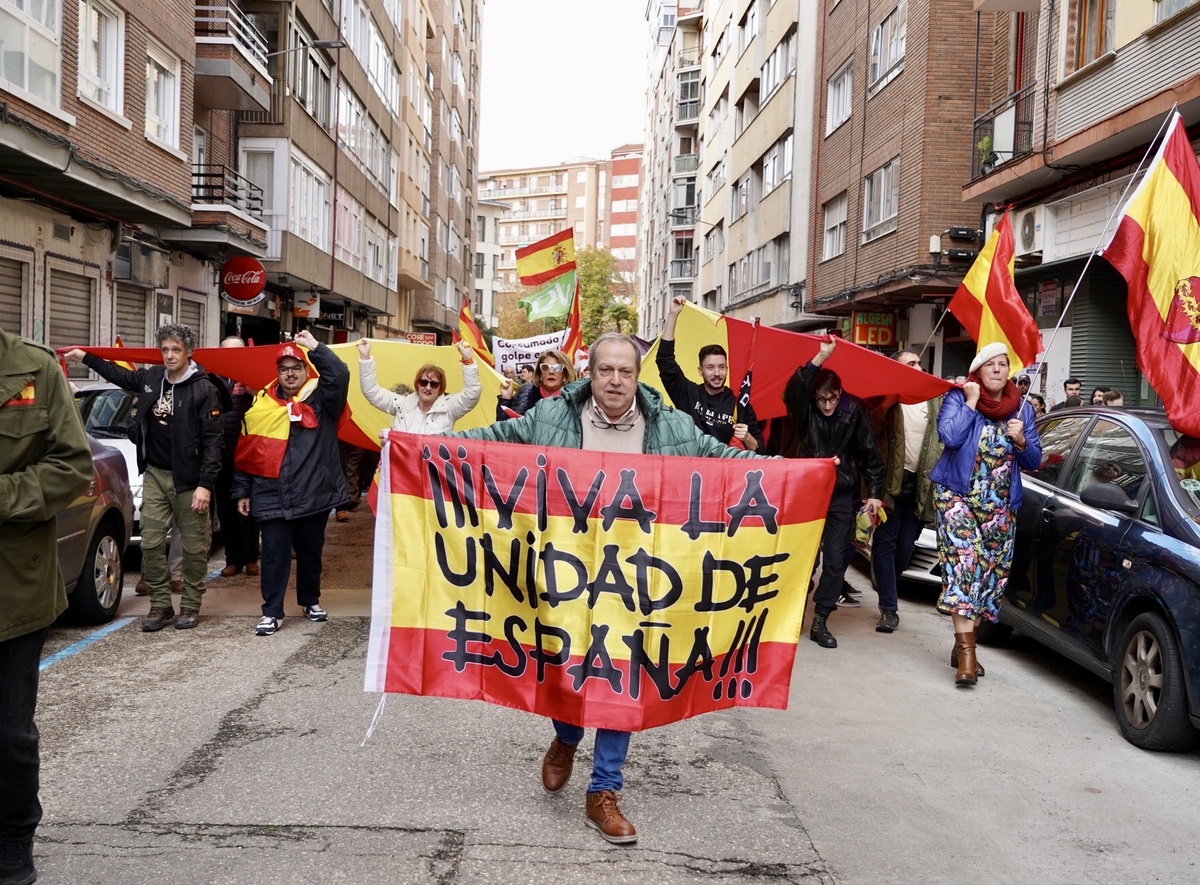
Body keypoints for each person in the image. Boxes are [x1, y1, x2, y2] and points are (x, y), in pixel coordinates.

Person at [443, 332, 764, 846]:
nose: (615, 380)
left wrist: (798, 472)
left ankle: (603, 791)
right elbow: (492, 442)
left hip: (638, 576)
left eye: (626, 371)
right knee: (566, 664)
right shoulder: (551, 419)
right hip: (565, 573)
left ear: (639, 377)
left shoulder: (672, 427)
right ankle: (567, 736)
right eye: (605, 370)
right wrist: (421, 446)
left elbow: (724, 460)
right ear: (589, 374)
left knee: (624, 675)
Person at [0, 324, 92, 885]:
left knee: (9, 734)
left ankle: (13, 836)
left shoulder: (33, 369)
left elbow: (71, 467)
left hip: (13, 587)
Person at [65, 324, 223, 631]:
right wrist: (85, 357)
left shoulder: (204, 389)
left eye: (176, 349)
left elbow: (215, 442)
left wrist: (205, 485)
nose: (169, 355)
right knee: (150, 543)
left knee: (193, 547)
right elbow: (120, 376)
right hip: (155, 474)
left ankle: (190, 606)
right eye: (165, 350)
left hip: (190, 481)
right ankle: (161, 605)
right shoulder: (152, 379)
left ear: (188, 352)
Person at [929, 342, 1042, 686]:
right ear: (978, 372)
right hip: (956, 496)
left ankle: (964, 642)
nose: (997, 369)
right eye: (989, 364)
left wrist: (1022, 441)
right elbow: (948, 436)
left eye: (1002, 364)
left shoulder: (1021, 410)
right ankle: (967, 658)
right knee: (967, 565)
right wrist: (971, 402)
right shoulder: (957, 398)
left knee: (989, 577)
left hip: (1000, 507)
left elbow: (1035, 461)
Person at [233, 330, 349, 636]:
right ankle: (271, 612)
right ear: (278, 373)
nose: (290, 374)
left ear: (305, 370)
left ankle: (310, 601)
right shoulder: (261, 405)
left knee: (311, 553)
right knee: (273, 555)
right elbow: (248, 450)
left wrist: (315, 347)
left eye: (295, 367)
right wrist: (242, 489)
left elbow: (339, 374)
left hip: (313, 493)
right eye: (284, 369)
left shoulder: (322, 400)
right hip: (270, 493)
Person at [782, 336, 884, 649]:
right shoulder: (805, 409)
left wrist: (876, 493)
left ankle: (821, 619)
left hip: (841, 493)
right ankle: (790, 615)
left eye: (833, 399)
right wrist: (819, 359)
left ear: (840, 394)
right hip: (807, 493)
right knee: (803, 559)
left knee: (837, 562)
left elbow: (871, 455)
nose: (828, 405)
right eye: (822, 400)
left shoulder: (853, 410)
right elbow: (793, 391)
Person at [871, 351, 943, 633]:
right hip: (891, 482)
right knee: (886, 542)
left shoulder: (934, 399)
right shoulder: (887, 397)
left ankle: (886, 579)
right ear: (897, 369)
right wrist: (887, 403)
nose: (918, 367)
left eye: (918, 363)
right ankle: (889, 609)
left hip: (921, 486)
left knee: (905, 547)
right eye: (910, 363)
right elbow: (870, 427)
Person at [655, 294, 764, 449]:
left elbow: (761, 450)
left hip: (723, 471)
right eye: (710, 368)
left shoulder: (739, 405)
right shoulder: (688, 394)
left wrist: (747, 437)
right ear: (700, 371)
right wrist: (673, 315)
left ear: (727, 369)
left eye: (721, 367)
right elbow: (664, 361)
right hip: (690, 469)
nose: (717, 373)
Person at [357, 339, 481, 434]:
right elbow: (371, 391)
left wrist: (468, 360)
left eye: (434, 384)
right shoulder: (401, 404)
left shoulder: (449, 409)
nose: (428, 387)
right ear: (417, 384)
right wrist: (365, 358)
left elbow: (472, 394)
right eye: (423, 382)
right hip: (403, 466)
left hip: (432, 467)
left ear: (440, 388)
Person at [212, 336, 260, 578]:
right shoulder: (211, 376)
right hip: (220, 452)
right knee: (226, 509)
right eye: (227, 352)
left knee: (249, 507)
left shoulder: (253, 375)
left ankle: (252, 557)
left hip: (247, 451)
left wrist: (253, 389)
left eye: (236, 352)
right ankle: (233, 560)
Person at [496, 348, 576, 419]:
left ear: (565, 375)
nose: (551, 372)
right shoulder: (525, 394)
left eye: (557, 368)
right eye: (545, 367)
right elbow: (503, 427)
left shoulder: (574, 400)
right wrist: (506, 399)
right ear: (540, 374)